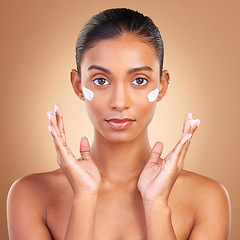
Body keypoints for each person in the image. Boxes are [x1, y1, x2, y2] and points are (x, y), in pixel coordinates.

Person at [7, 8, 231, 240]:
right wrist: (84, 197)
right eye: (101, 80)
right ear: (78, 85)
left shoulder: (208, 198)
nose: (120, 102)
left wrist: (156, 205)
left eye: (139, 80)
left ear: (162, 86)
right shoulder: (30, 195)